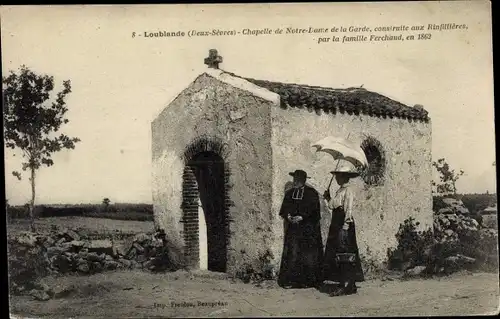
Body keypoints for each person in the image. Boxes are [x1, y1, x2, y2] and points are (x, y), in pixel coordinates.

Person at [321, 165, 364, 296]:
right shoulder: (340, 190)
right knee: (337, 251)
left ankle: (347, 284)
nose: (336, 179)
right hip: (336, 222)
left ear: (344, 177)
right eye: (336, 176)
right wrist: (328, 197)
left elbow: (348, 209)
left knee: (345, 252)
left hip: (343, 223)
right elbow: (332, 205)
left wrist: (345, 226)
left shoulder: (349, 190)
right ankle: (346, 282)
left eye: (338, 176)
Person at [278, 169, 323, 289]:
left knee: (306, 254)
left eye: (298, 179)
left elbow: (314, 211)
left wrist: (302, 217)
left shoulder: (312, 193)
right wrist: (288, 216)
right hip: (293, 229)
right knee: (292, 253)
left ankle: (307, 281)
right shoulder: (289, 193)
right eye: (295, 179)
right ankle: (291, 281)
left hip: (307, 229)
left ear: (303, 180)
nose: (295, 181)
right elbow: (284, 208)